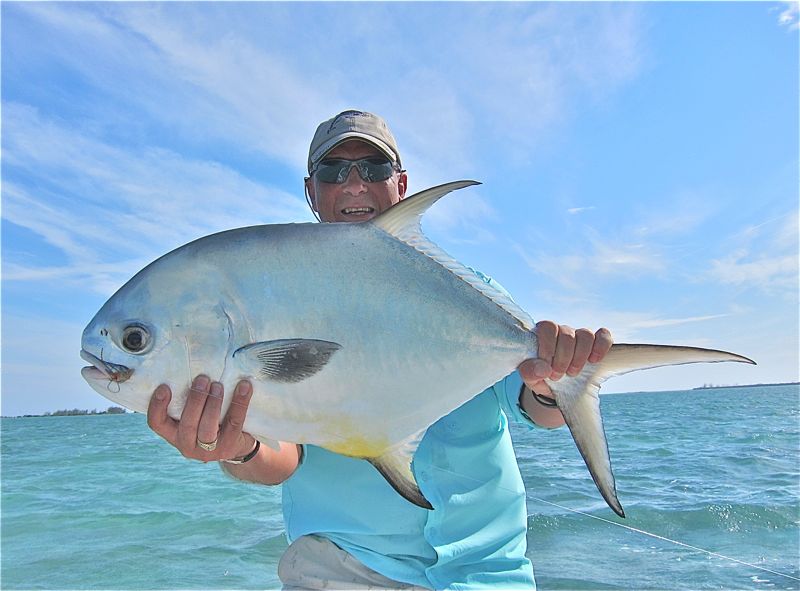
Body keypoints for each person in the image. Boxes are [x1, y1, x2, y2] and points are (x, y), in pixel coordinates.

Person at [147, 110, 613, 590]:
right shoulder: (281, 298)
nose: (354, 185)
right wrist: (237, 448)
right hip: (341, 569)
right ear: (311, 192)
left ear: (401, 184)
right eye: (333, 171)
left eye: (374, 168)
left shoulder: (473, 293)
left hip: (486, 571)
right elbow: (284, 455)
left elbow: (537, 407)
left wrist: (556, 379)